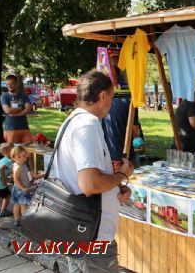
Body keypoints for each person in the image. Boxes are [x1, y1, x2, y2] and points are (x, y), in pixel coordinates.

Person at [54, 70, 133, 272]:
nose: (111, 103)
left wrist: (115, 185)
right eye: (112, 97)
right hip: (92, 236)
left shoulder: (72, 121)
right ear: (103, 96)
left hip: (78, 229)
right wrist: (123, 174)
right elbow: (90, 184)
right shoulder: (86, 125)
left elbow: (82, 177)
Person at [0, 75, 33, 143]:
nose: (9, 86)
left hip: (25, 128)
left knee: (29, 151)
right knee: (12, 152)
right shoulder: (4, 96)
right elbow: (8, 110)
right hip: (11, 128)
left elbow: (29, 108)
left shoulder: (23, 95)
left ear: (16, 84)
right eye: (7, 84)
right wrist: (22, 108)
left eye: (12, 83)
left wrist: (17, 114)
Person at [10, 146, 32, 227]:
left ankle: (17, 220)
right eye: (19, 156)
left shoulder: (20, 164)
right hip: (21, 189)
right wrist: (23, 188)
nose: (22, 158)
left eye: (24, 156)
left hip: (18, 188)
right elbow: (16, 179)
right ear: (13, 157)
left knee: (17, 204)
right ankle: (25, 221)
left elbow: (27, 174)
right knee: (23, 205)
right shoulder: (18, 167)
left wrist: (35, 176)